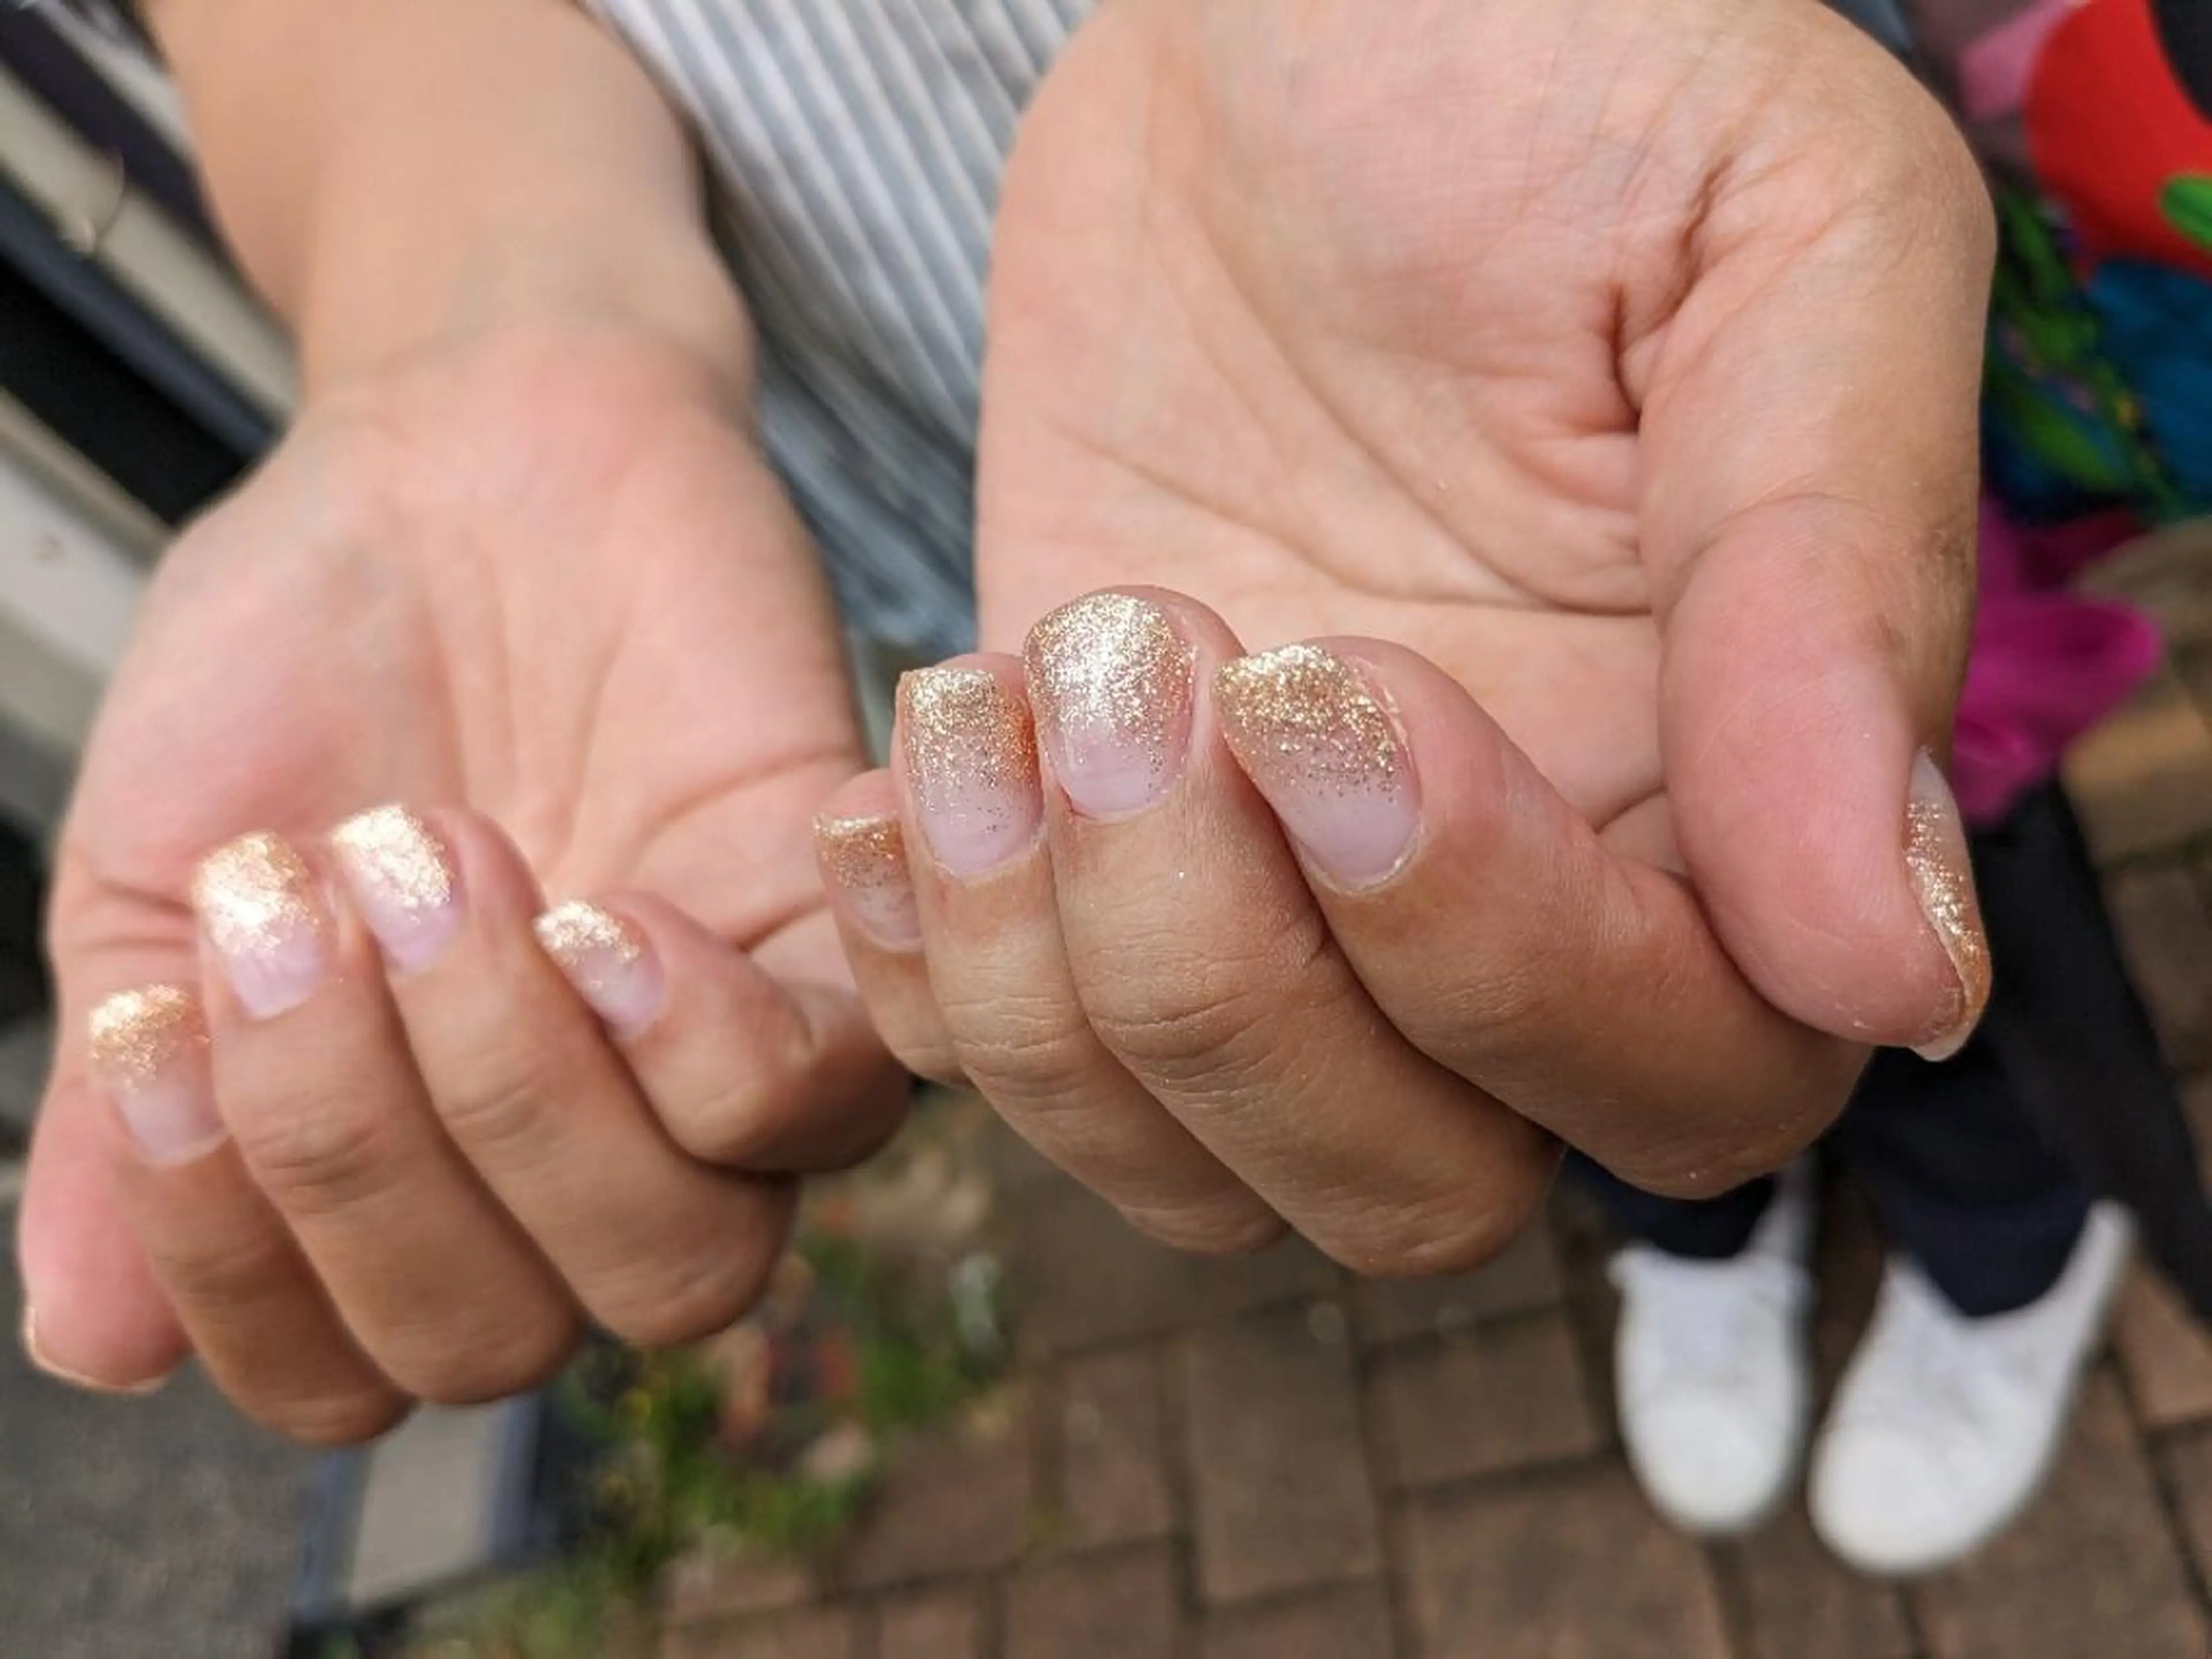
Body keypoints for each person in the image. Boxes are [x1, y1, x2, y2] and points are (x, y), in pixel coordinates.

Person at [21, 0, 2001, 1459]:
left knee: (1858, 852)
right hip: (957, 475)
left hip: (1534, 353)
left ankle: (2011, 1244)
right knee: (1435, 988)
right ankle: (1707, 1231)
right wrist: (486, 331)